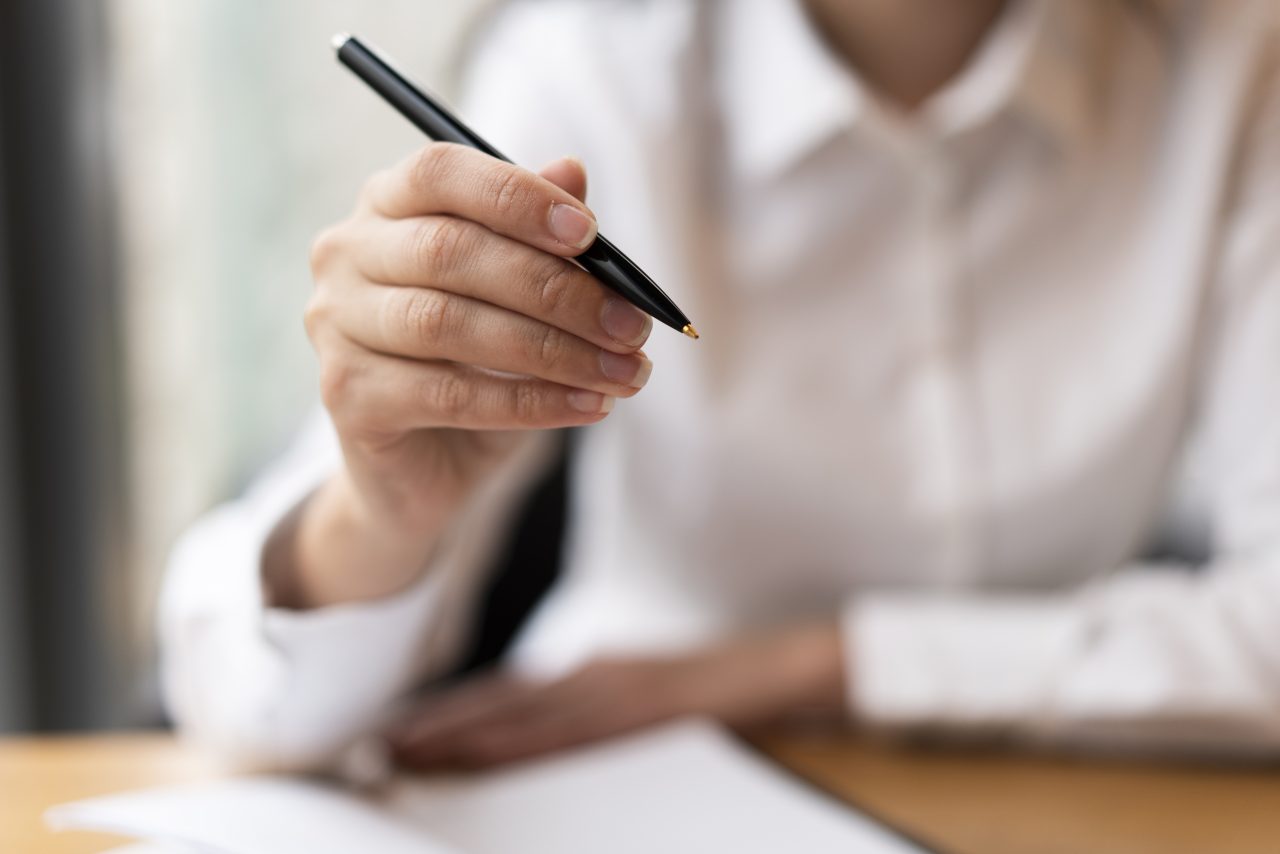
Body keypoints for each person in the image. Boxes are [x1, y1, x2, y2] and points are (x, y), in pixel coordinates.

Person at [160, 0, 1280, 772]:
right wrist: (380, 509)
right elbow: (244, 714)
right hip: (616, 779)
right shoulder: (586, 67)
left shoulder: (1237, 65)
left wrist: (802, 667)